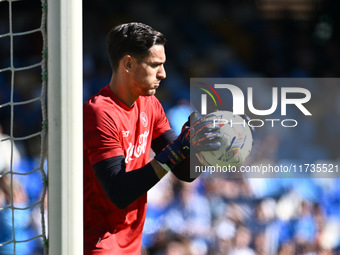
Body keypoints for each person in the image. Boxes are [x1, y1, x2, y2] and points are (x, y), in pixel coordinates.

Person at [83, 22, 221, 254]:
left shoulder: (150, 104)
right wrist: (176, 151)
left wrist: (199, 149)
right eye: (155, 65)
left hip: (134, 243)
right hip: (99, 243)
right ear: (128, 63)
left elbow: (184, 172)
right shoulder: (99, 113)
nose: (163, 74)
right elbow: (119, 193)